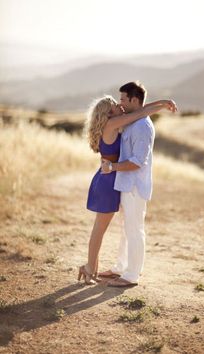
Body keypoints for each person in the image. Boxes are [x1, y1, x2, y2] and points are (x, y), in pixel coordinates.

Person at [78, 87, 177, 285]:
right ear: (108, 113)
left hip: (110, 177)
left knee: (110, 227)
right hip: (108, 179)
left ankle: (94, 269)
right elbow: (139, 111)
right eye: (116, 105)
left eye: (121, 101)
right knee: (100, 228)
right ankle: (89, 268)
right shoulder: (114, 123)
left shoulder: (115, 121)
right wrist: (162, 104)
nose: (120, 105)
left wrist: (162, 102)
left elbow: (138, 110)